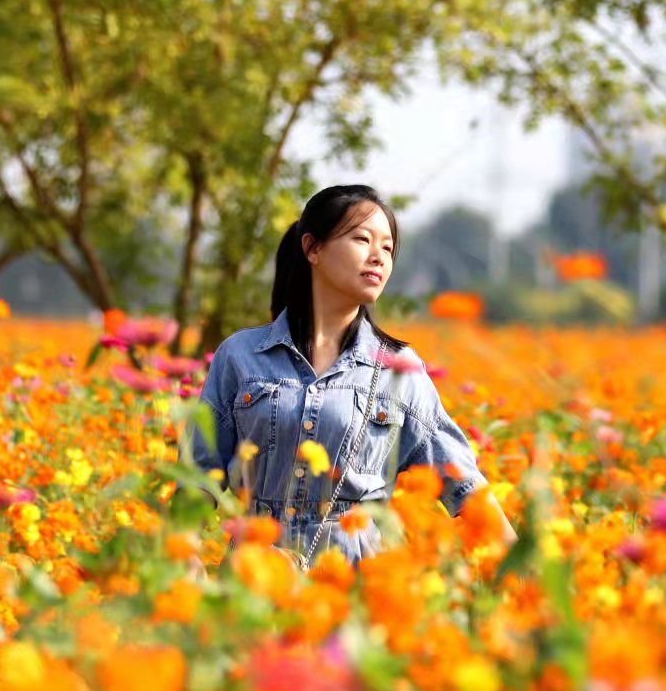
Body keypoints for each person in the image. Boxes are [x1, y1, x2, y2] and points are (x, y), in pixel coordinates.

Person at [188, 184, 516, 568]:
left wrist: (529, 576)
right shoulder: (241, 356)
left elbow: (466, 488)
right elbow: (198, 476)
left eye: (388, 248)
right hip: (255, 586)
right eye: (362, 239)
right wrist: (184, 556)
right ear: (312, 248)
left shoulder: (399, 370)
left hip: (355, 592)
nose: (378, 256)